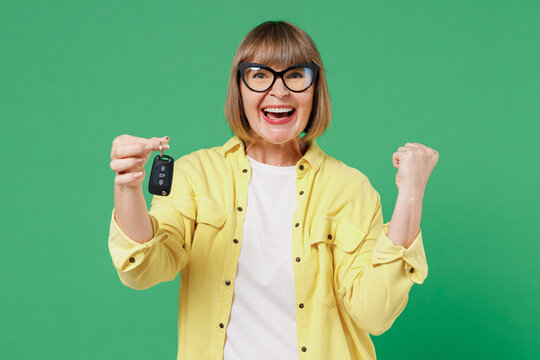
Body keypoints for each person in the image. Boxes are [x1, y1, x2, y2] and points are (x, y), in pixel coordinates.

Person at [108, 20, 438, 360]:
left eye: (296, 75)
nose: (279, 91)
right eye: (260, 74)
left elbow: (375, 313)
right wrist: (128, 186)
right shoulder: (196, 174)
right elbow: (142, 270)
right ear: (240, 87)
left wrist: (411, 193)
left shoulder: (351, 189)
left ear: (315, 89)